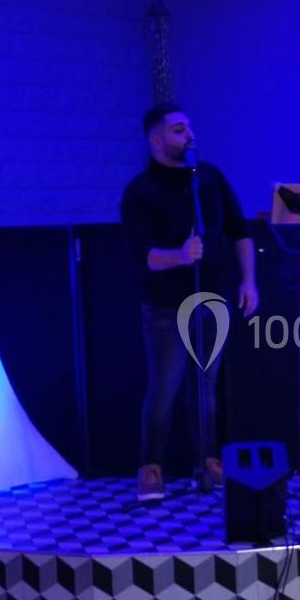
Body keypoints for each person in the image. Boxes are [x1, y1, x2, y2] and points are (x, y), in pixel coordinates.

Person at [120, 103, 258, 501]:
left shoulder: (210, 178)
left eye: (189, 128)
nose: (189, 135)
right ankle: (151, 467)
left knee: (206, 385)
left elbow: (239, 230)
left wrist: (249, 280)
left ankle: (207, 461)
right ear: (156, 139)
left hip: (213, 299)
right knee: (165, 386)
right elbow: (144, 255)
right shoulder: (140, 192)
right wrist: (180, 255)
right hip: (166, 306)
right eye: (179, 130)